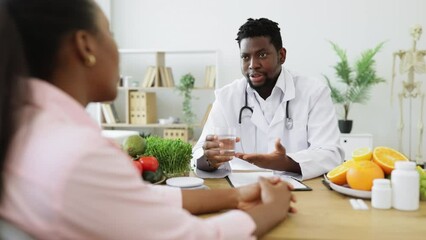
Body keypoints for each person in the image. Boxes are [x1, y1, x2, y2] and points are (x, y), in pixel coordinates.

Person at [0, 1, 296, 239]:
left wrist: (235, 196)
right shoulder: (77, 153)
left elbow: (133, 199)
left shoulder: (25, 127)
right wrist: (272, 209)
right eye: (111, 36)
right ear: (85, 46)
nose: (252, 64)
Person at [194, 18, 344, 180]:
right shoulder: (226, 98)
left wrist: (285, 163)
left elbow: (331, 153)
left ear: (282, 55)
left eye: (262, 55)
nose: (253, 64)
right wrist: (209, 159)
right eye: (245, 57)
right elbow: (198, 155)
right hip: (239, 187)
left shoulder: (313, 93)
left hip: (297, 187)